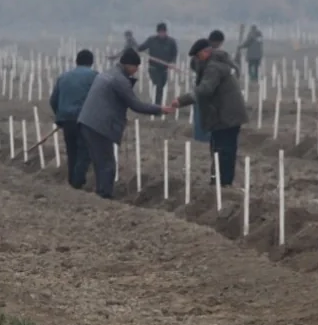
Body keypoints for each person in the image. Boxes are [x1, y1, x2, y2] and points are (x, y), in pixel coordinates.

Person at [76, 48, 166, 199]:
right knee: (107, 164)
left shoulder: (108, 73)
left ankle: (100, 192)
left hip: (88, 122)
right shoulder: (120, 80)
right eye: (136, 67)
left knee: (99, 162)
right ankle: (104, 196)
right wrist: (160, 109)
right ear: (129, 65)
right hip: (99, 126)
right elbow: (136, 104)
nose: (136, 70)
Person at [167, 39, 249, 188]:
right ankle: (218, 181)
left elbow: (205, 89)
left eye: (198, 56)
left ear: (206, 52)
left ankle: (223, 183)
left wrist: (181, 100)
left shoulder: (213, 67)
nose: (197, 60)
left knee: (224, 150)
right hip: (222, 114)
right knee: (220, 148)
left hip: (226, 115)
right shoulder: (213, 64)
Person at [49, 49, 98, 190]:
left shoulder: (63, 77)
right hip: (85, 119)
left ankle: (72, 181)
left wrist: (60, 116)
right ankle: (77, 182)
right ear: (91, 62)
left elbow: (53, 100)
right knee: (85, 150)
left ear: (76, 61)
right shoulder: (95, 77)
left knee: (72, 151)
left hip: (66, 120)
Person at [135, 23, 178, 104]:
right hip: (153, 68)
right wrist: (136, 49)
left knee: (161, 86)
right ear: (157, 32)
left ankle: (157, 104)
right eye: (160, 32)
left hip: (164, 68)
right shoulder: (151, 40)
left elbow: (174, 54)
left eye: (163, 32)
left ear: (166, 32)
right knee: (158, 85)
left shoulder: (171, 42)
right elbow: (141, 48)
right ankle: (157, 106)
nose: (162, 34)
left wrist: (172, 63)